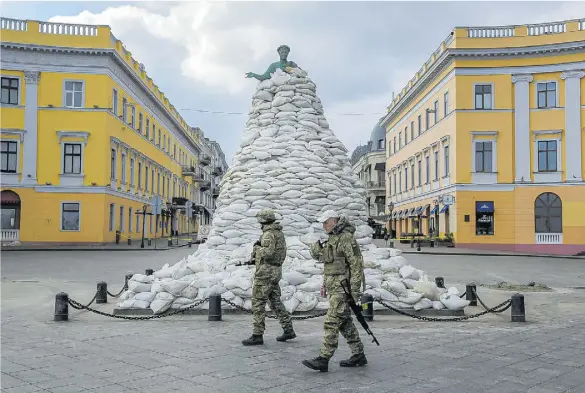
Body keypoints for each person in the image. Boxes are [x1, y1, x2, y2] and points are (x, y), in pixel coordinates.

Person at [302, 210, 367, 372]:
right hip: (335, 287)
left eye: (326, 222)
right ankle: (358, 354)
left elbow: (356, 265)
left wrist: (354, 292)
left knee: (331, 322)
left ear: (334, 221)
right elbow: (329, 262)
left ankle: (323, 359)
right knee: (344, 323)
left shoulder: (346, 238)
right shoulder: (333, 238)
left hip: (343, 289)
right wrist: (325, 284)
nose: (323, 225)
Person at [242, 209, 296, 346]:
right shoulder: (278, 233)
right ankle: (288, 329)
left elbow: (268, 252)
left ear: (262, 220)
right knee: (275, 302)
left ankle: (257, 335)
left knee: (258, 303)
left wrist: (256, 249)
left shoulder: (268, 234)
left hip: (265, 273)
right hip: (275, 271)